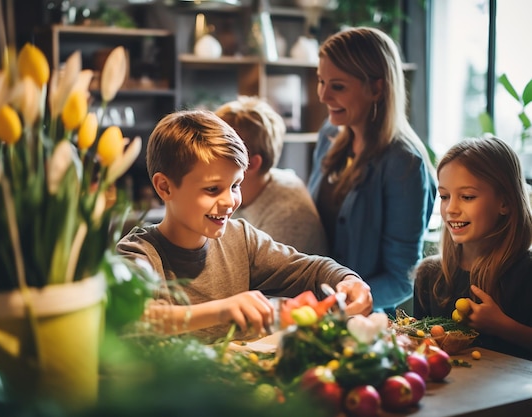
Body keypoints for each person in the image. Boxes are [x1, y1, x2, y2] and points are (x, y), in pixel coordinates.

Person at [116, 109, 373, 343]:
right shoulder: (138, 253)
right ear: (165, 187)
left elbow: (312, 270)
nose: (229, 201)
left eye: (235, 185)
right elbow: (140, 318)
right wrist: (222, 310)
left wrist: (348, 280)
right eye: (213, 189)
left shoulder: (242, 238)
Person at [307, 27, 436, 313]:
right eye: (321, 81)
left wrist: (341, 305)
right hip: (317, 311)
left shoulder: (404, 164)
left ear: (377, 88)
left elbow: (401, 278)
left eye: (338, 86)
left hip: (364, 324)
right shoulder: (329, 136)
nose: (323, 95)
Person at [413, 136, 532, 360]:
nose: (451, 209)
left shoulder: (527, 273)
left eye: (467, 197)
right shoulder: (429, 275)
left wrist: (503, 327)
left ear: (504, 203)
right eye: (445, 196)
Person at [215, 96, 328, 255]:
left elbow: (252, 276)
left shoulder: (288, 216)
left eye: (220, 153)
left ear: (252, 164)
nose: (209, 159)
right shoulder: (245, 189)